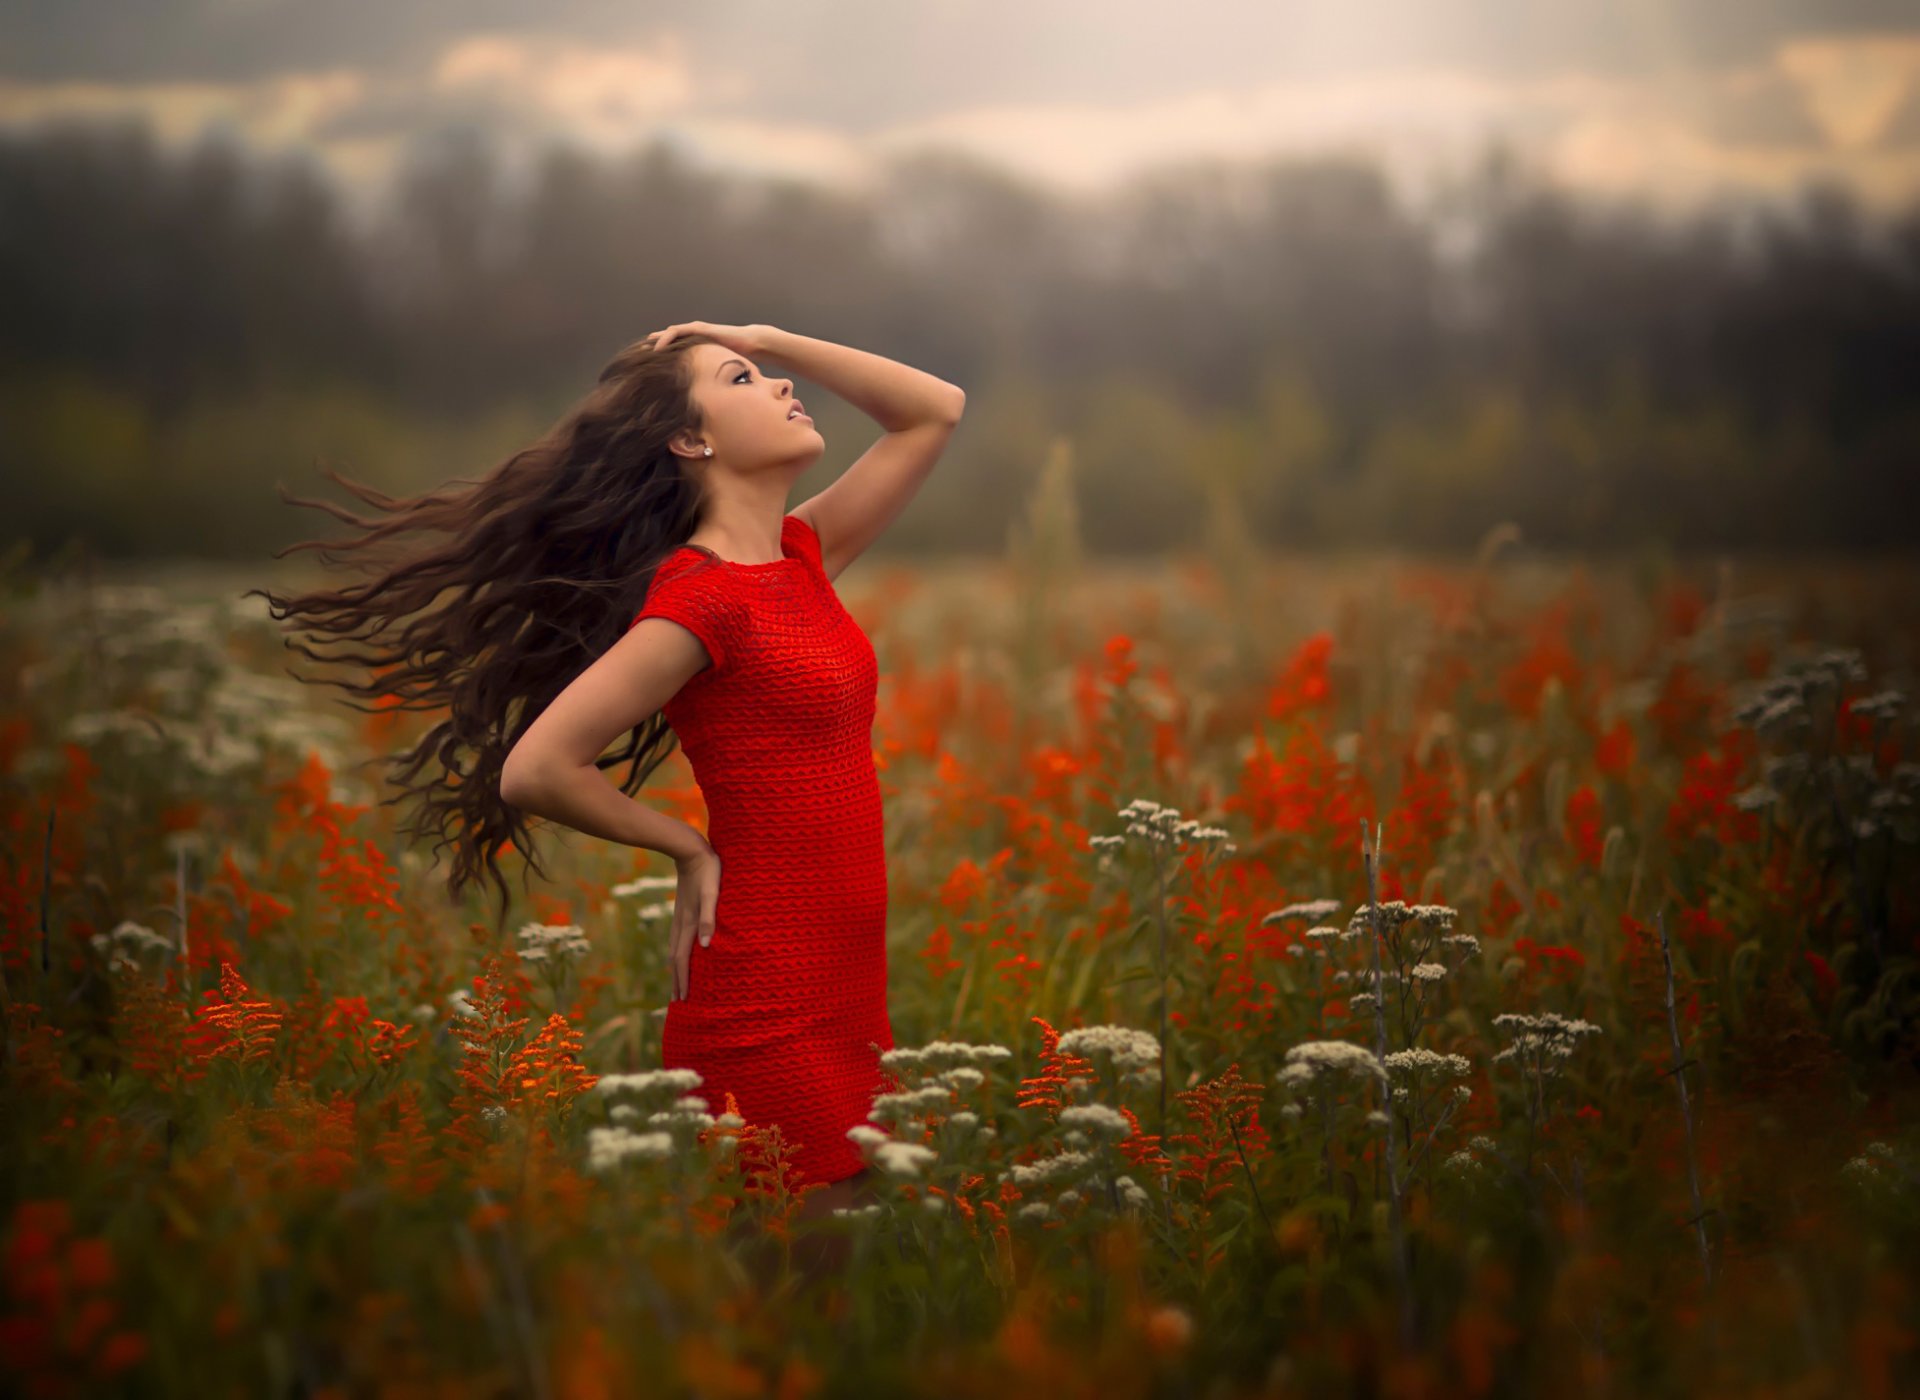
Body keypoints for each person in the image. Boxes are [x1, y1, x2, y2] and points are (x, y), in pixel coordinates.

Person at [255, 320, 963, 1264]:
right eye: (747, 378)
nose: (786, 386)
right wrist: (686, 844)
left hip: (847, 983)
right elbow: (538, 766)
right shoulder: (702, 598)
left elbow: (933, 411)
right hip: (765, 985)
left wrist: (756, 334)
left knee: (847, 1276)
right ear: (690, 439)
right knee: (798, 1279)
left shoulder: (801, 558)